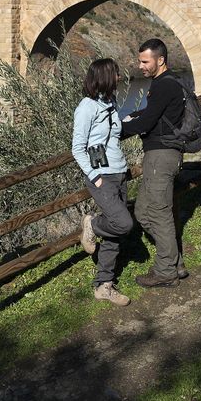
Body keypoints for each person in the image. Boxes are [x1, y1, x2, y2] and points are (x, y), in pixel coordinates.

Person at [120, 38, 191, 287]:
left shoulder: (163, 86)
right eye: (139, 61)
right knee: (143, 212)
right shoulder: (168, 83)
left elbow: (145, 124)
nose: (140, 66)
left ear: (160, 60)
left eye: (144, 61)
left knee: (158, 214)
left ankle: (165, 272)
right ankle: (174, 261)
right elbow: (153, 115)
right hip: (162, 155)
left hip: (161, 157)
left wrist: (117, 127)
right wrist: (134, 117)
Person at [72, 58, 133, 307]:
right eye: (116, 74)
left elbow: (114, 133)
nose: (119, 78)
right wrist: (94, 177)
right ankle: (92, 224)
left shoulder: (110, 102)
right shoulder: (86, 107)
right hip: (101, 177)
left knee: (115, 234)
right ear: (106, 76)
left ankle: (103, 286)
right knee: (124, 223)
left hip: (119, 173)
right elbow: (77, 147)